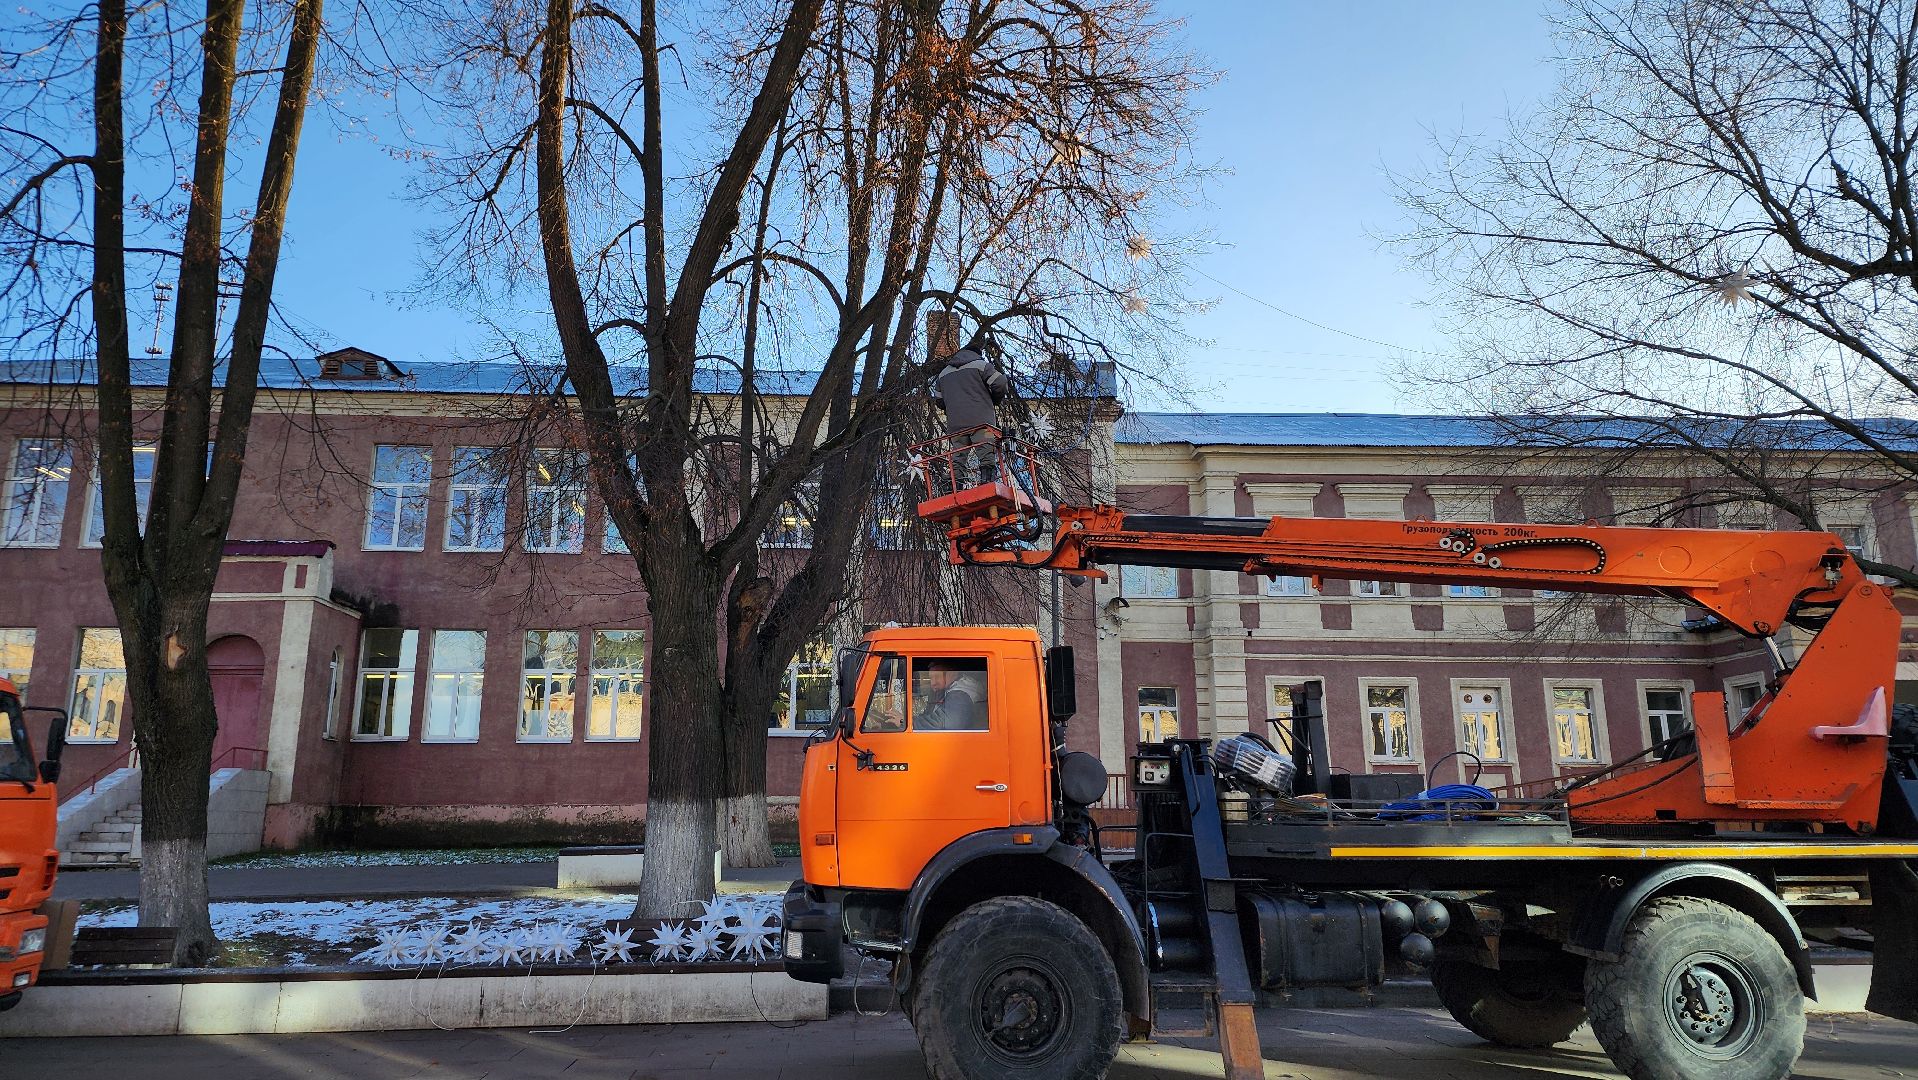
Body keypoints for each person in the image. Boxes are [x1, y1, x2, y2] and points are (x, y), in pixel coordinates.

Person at [930, 333, 1010, 485]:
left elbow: (939, 401)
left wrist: (952, 407)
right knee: (986, 450)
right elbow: (1000, 383)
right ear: (976, 354)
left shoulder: (943, 374)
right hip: (981, 422)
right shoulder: (981, 365)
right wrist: (995, 399)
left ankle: (954, 485)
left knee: (958, 456)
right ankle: (988, 481)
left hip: (956, 426)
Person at [915, 659, 989, 731]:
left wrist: (912, 724)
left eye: (937, 677)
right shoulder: (944, 691)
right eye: (931, 678)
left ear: (952, 674)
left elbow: (943, 724)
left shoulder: (960, 695)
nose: (933, 683)